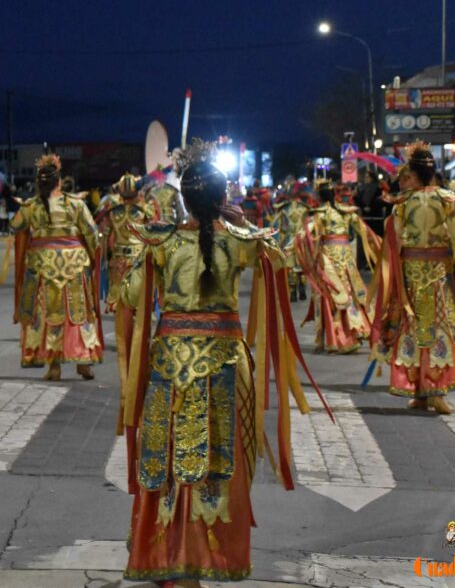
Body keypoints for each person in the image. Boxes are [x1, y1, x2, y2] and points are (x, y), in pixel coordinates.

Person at [117, 146, 326, 587]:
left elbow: (130, 295)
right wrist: (241, 224)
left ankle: (168, 555)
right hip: (225, 363)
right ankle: (205, 556)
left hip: (171, 364)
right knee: (218, 460)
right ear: (222, 197)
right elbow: (282, 261)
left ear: (183, 198)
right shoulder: (240, 241)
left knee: (169, 457)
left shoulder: (162, 241)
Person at [368, 142, 455, 414]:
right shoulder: (445, 200)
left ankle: (425, 391)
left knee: (413, 326)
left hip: (412, 274)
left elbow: (393, 244)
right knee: (439, 326)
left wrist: (390, 276)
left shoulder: (402, 203)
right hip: (439, 274)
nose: (404, 180)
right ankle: (430, 392)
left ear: (415, 175)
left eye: (408, 175)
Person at [10, 154, 103, 380]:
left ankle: (54, 365)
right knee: (78, 312)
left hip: (42, 268)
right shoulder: (76, 204)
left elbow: (16, 228)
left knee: (48, 314)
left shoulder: (30, 207)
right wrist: (93, 260)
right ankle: (83, 361)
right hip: (75, 266)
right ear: (59, 181)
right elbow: (92, 235)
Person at [96, 173, 156, 419]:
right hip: (139, 262)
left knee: (122, 308)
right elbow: (153, 237)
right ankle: (141, 347)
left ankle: (127, 352)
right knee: (141, 309)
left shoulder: (113, 211)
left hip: (119, 263)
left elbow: (105, 238)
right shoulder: (146, 210)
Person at [296, 182, 380, 354]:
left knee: (331, 295)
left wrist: (290, 247)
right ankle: (355, 331)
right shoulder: (346, 213)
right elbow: (366, 232)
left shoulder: (320, 214)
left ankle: (338, 338)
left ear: (319, 197)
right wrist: (382, 245)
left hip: (328, 259)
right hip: (346, 257)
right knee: (349, 292)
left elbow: (304, 234)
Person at [268, 183, 310, 302]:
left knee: (290, 266)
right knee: (301, 265)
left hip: (288, 240)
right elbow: (308, 225)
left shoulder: (283, 208)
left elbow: (275, 225)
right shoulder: (305, 208)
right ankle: (302, 288)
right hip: (301, 240)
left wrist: (276, 242)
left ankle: (293, 292)